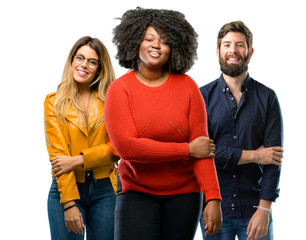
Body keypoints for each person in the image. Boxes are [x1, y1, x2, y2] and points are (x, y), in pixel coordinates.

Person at [104, 7, 222, 240]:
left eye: (164, 41)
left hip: (185, 196)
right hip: (136, 193)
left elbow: (203, 149)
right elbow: (127, 148)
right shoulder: (119, 89)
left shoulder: (188, 87)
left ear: (175, 49)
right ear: (135, 42)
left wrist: (213, 197)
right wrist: (186, 150)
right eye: (149, 38)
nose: (156, 45)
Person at [199, 21, 284, 240]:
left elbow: (273, 159)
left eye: (239, 45)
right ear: (218, 51)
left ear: (250, 52)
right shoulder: (201, 98)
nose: (233, 50)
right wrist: (256, 155)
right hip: (214, 208)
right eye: (227, 45)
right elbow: (203, 155)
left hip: (255, 208)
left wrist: (264, 209)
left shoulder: (267, 98)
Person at [44, 36, 118, 240]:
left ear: (100, 68)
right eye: (79, 58)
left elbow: (116, 148)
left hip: (106, 190)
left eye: (92, 61)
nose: (83, 65)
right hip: (66, 189)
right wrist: (69, 204)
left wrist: (78, 160)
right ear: (71, 60)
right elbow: (59, 158)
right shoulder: (53, 102)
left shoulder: (112, 100)